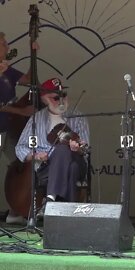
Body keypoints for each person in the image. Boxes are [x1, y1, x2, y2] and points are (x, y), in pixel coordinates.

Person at [15, 78, 89, 216]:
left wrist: (77, 148)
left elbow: (85, 148)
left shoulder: (78, 117)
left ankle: (50, 199)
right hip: (47, 167)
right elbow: (20, 147)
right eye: (55, 97)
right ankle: (70, 213)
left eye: (63, 95)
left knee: (62, 149)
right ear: (44, 99)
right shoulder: (36, 119)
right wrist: (35, 155)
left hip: (77, 162)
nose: (61, 101)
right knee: (70, 169)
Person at [0, 31, 36, 224]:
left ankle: (16, 209)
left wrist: (33, 54)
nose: (6, 45)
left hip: (7, 129)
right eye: (3, 43)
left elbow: (29, 80)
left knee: (19, 165)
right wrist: (21, 112)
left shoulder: (8, 70)